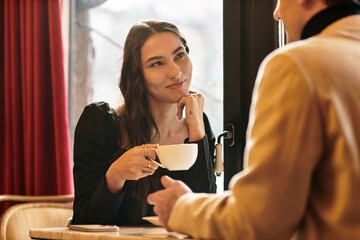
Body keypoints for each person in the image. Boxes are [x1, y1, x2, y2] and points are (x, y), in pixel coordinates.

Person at [147, 0, 360, 239]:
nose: (277, 13)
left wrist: (180, 207)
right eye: (156, 63)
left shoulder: (296, 65)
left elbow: (260, 220)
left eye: (280, 1)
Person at [71, 20, 217, 226]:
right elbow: (84, 223)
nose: (175, 72)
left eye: (180, 55)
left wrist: (197, 133)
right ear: (137, 75)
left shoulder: (198, 124)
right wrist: (115, 176)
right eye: (157, 63)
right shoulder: (101, 123)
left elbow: (205, 216)